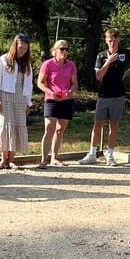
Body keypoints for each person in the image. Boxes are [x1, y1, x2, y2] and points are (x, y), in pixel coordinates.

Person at [79, 28, 130, 167]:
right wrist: (108, 62)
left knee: (114, 125)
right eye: (109, 40)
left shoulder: (125, 53)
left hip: (118, 94)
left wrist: (126, 74)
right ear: (106, 40)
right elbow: (98, 76)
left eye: (115, 40)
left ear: (119, 40)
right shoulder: (101, 55)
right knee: (98, 124)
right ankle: (92, 153)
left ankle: (110, 154)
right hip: (103, 94)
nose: (112, 42)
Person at [0, 33, 33, 170]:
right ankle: (3, 159)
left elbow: (29, 84)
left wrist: (28, 102)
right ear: (15, 46)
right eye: (21, 47)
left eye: (25, 48)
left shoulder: (27, 64)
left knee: (18, 126)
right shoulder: (4, 60)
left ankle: (12, 160)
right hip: (6, 96)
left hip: (20, 97)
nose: (23, 50)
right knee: (6, 125)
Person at [36, 40, 77, 169]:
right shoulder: (47, 64)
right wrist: (51, 92)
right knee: (49, 128)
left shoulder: (71, 65)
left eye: (67, 49)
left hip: (66, 99)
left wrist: (70, 92)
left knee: (60, 130)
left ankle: (55, 157)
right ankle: (43, 159)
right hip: (51, 99)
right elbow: (40, 82)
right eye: (62, 49)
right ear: (55, 50)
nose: (64, 52)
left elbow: (75, 83)